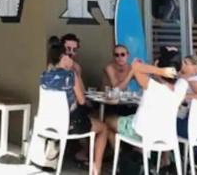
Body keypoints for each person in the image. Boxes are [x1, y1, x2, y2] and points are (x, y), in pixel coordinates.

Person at [41, 40, 109, 175]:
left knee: (89, 120)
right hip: (70, 124)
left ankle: (86, 156)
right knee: (103, 128)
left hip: (50, 122)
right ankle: (97, 169)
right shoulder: (70, 75)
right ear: (63, 57)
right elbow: (82, 101)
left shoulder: (44, 76)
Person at [104, 56, 181, 172]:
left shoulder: (152, 86)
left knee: (108, 120)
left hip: (143, 133)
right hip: (165, 134)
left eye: (155, 65)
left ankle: (124, 160)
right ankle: (140, 156)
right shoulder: (179, 89)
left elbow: (135, 67)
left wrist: (159, 70)